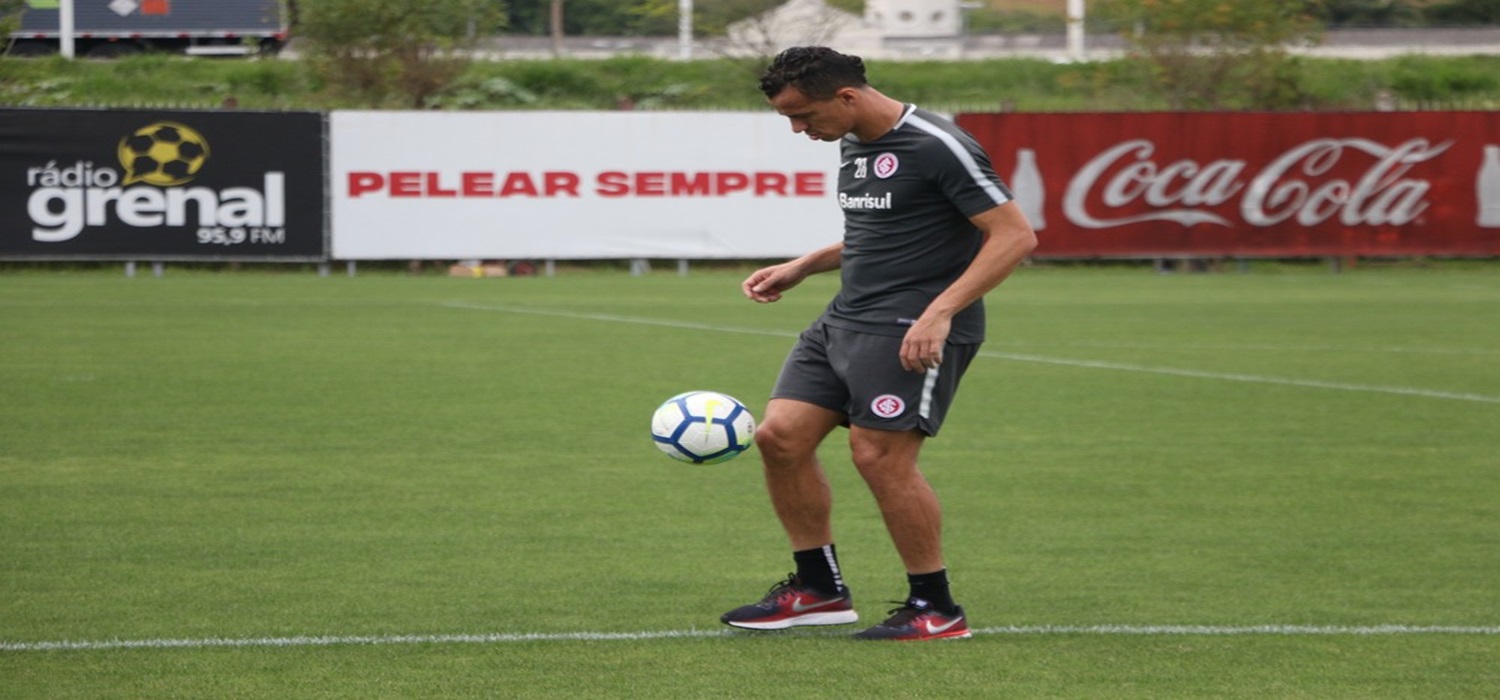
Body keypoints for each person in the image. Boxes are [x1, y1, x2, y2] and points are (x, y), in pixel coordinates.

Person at [719, 46, 1037, 641]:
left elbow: (1014, 236)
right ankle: (818, 590)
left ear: (846, 97)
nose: (798, 130)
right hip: (845, 318)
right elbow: (883, 230)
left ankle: (935, 608)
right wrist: (806, 264)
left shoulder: (936, 143)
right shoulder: (851, 139)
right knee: (779, 438)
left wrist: (939, 312)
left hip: (910, 327)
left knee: (879, 457)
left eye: (804, 116)